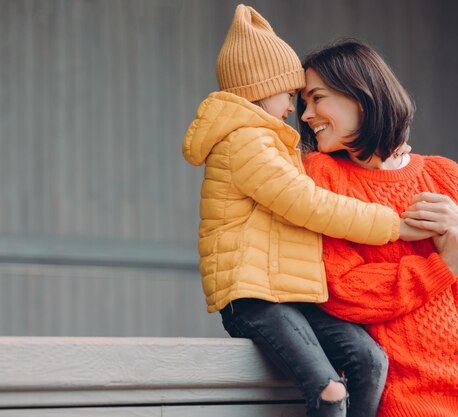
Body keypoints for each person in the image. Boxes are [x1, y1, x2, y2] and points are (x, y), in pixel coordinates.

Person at [181, 5, 436, 417]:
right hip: (255, 299)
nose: (295, 109)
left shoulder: (270, 143)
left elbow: (324, 179)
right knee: (330, 390)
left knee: (370, 361)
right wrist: (394, 225)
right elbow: (309, 203)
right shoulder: (245, 142)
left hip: (294, 295)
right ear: (263, 90)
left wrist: (386, 152)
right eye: (290, 95)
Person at [298, 39, 458, 417]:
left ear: (360, 95)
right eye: (303, 104)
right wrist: (443, 266)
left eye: (317, 98)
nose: (307, 114)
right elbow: (340, 290)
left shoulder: (443, 173)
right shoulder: (322, 175)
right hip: (408, 393)